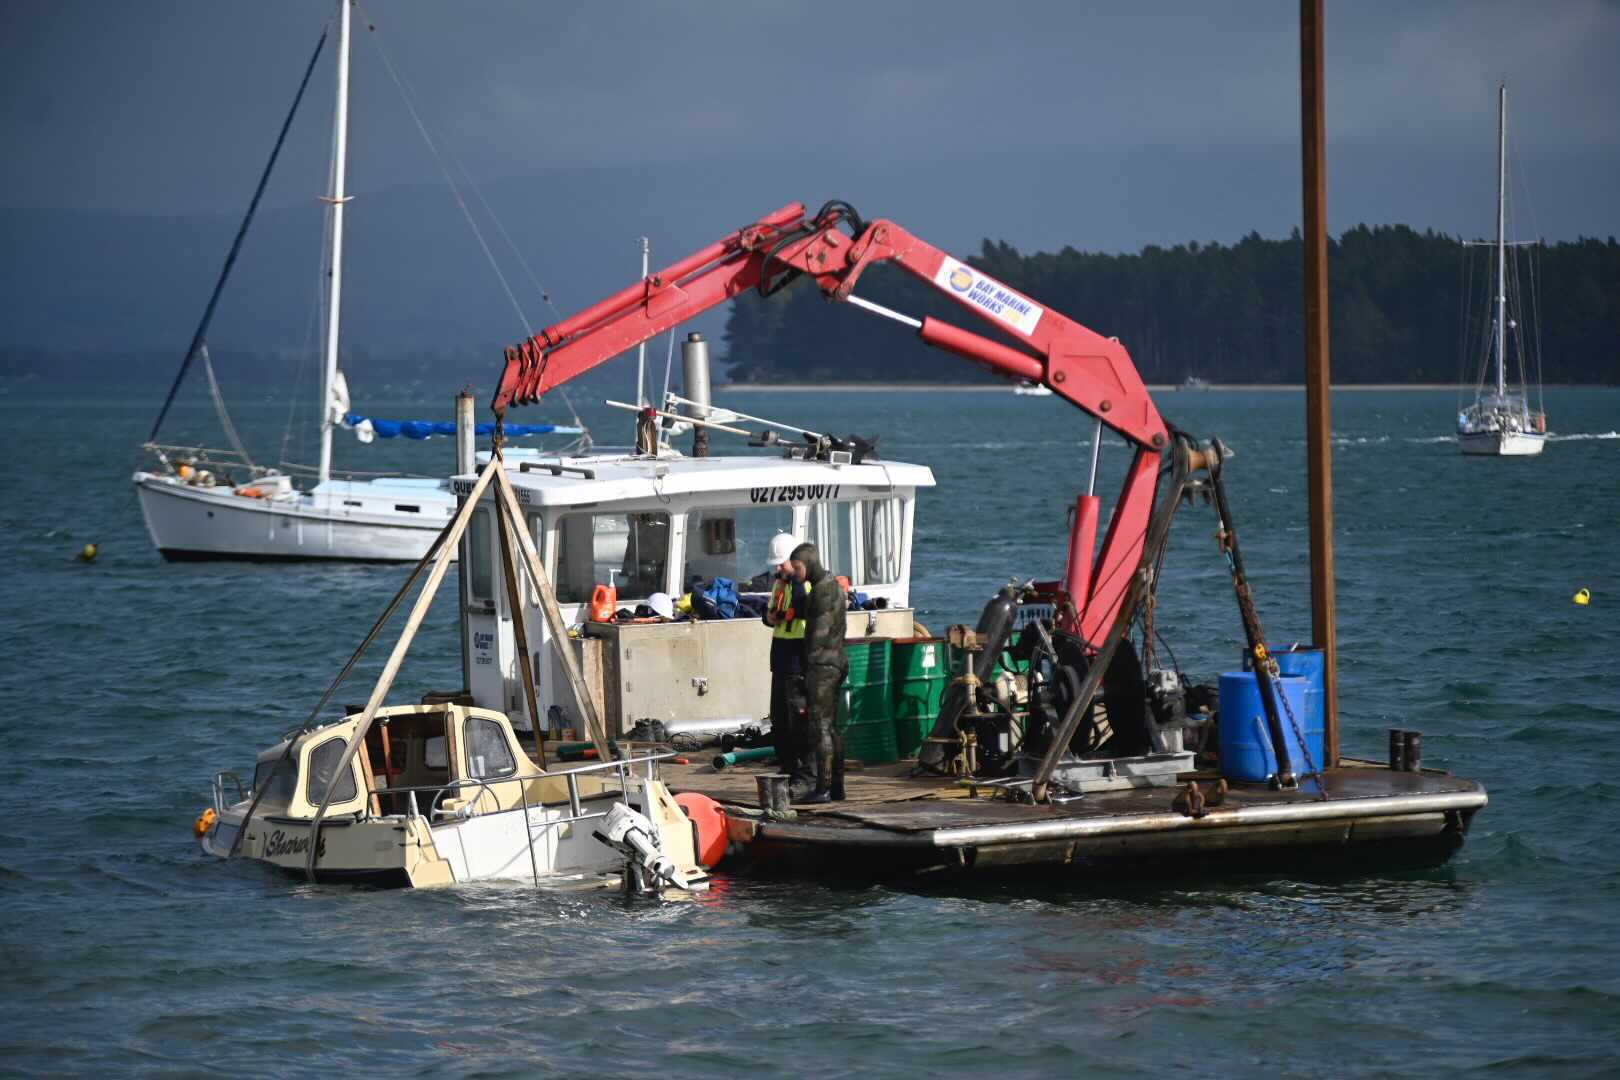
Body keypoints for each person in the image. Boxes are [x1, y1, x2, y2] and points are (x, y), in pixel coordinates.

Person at [790, 541, 847, 803]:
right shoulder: (834, 586)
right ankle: (837, 786)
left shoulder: (822, 592)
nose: (796, 571)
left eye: (798, 567)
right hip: (837, 660)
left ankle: (822, 789)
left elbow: (817, 634)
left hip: (822, 665)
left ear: (810, 563)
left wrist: (805, 671)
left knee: (820, 726)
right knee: (832, 727)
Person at [762, 533, 810, 787]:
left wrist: (798, 581)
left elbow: (803, 608)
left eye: (782, 563)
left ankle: (802, 775)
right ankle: (787, 766)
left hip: (798, 662)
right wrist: (770, 617)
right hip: (781, 661)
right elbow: (770, 611)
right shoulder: (781, 584)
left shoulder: (806, 585)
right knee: (779, 720)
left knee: (797, 723)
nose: (778, 569)